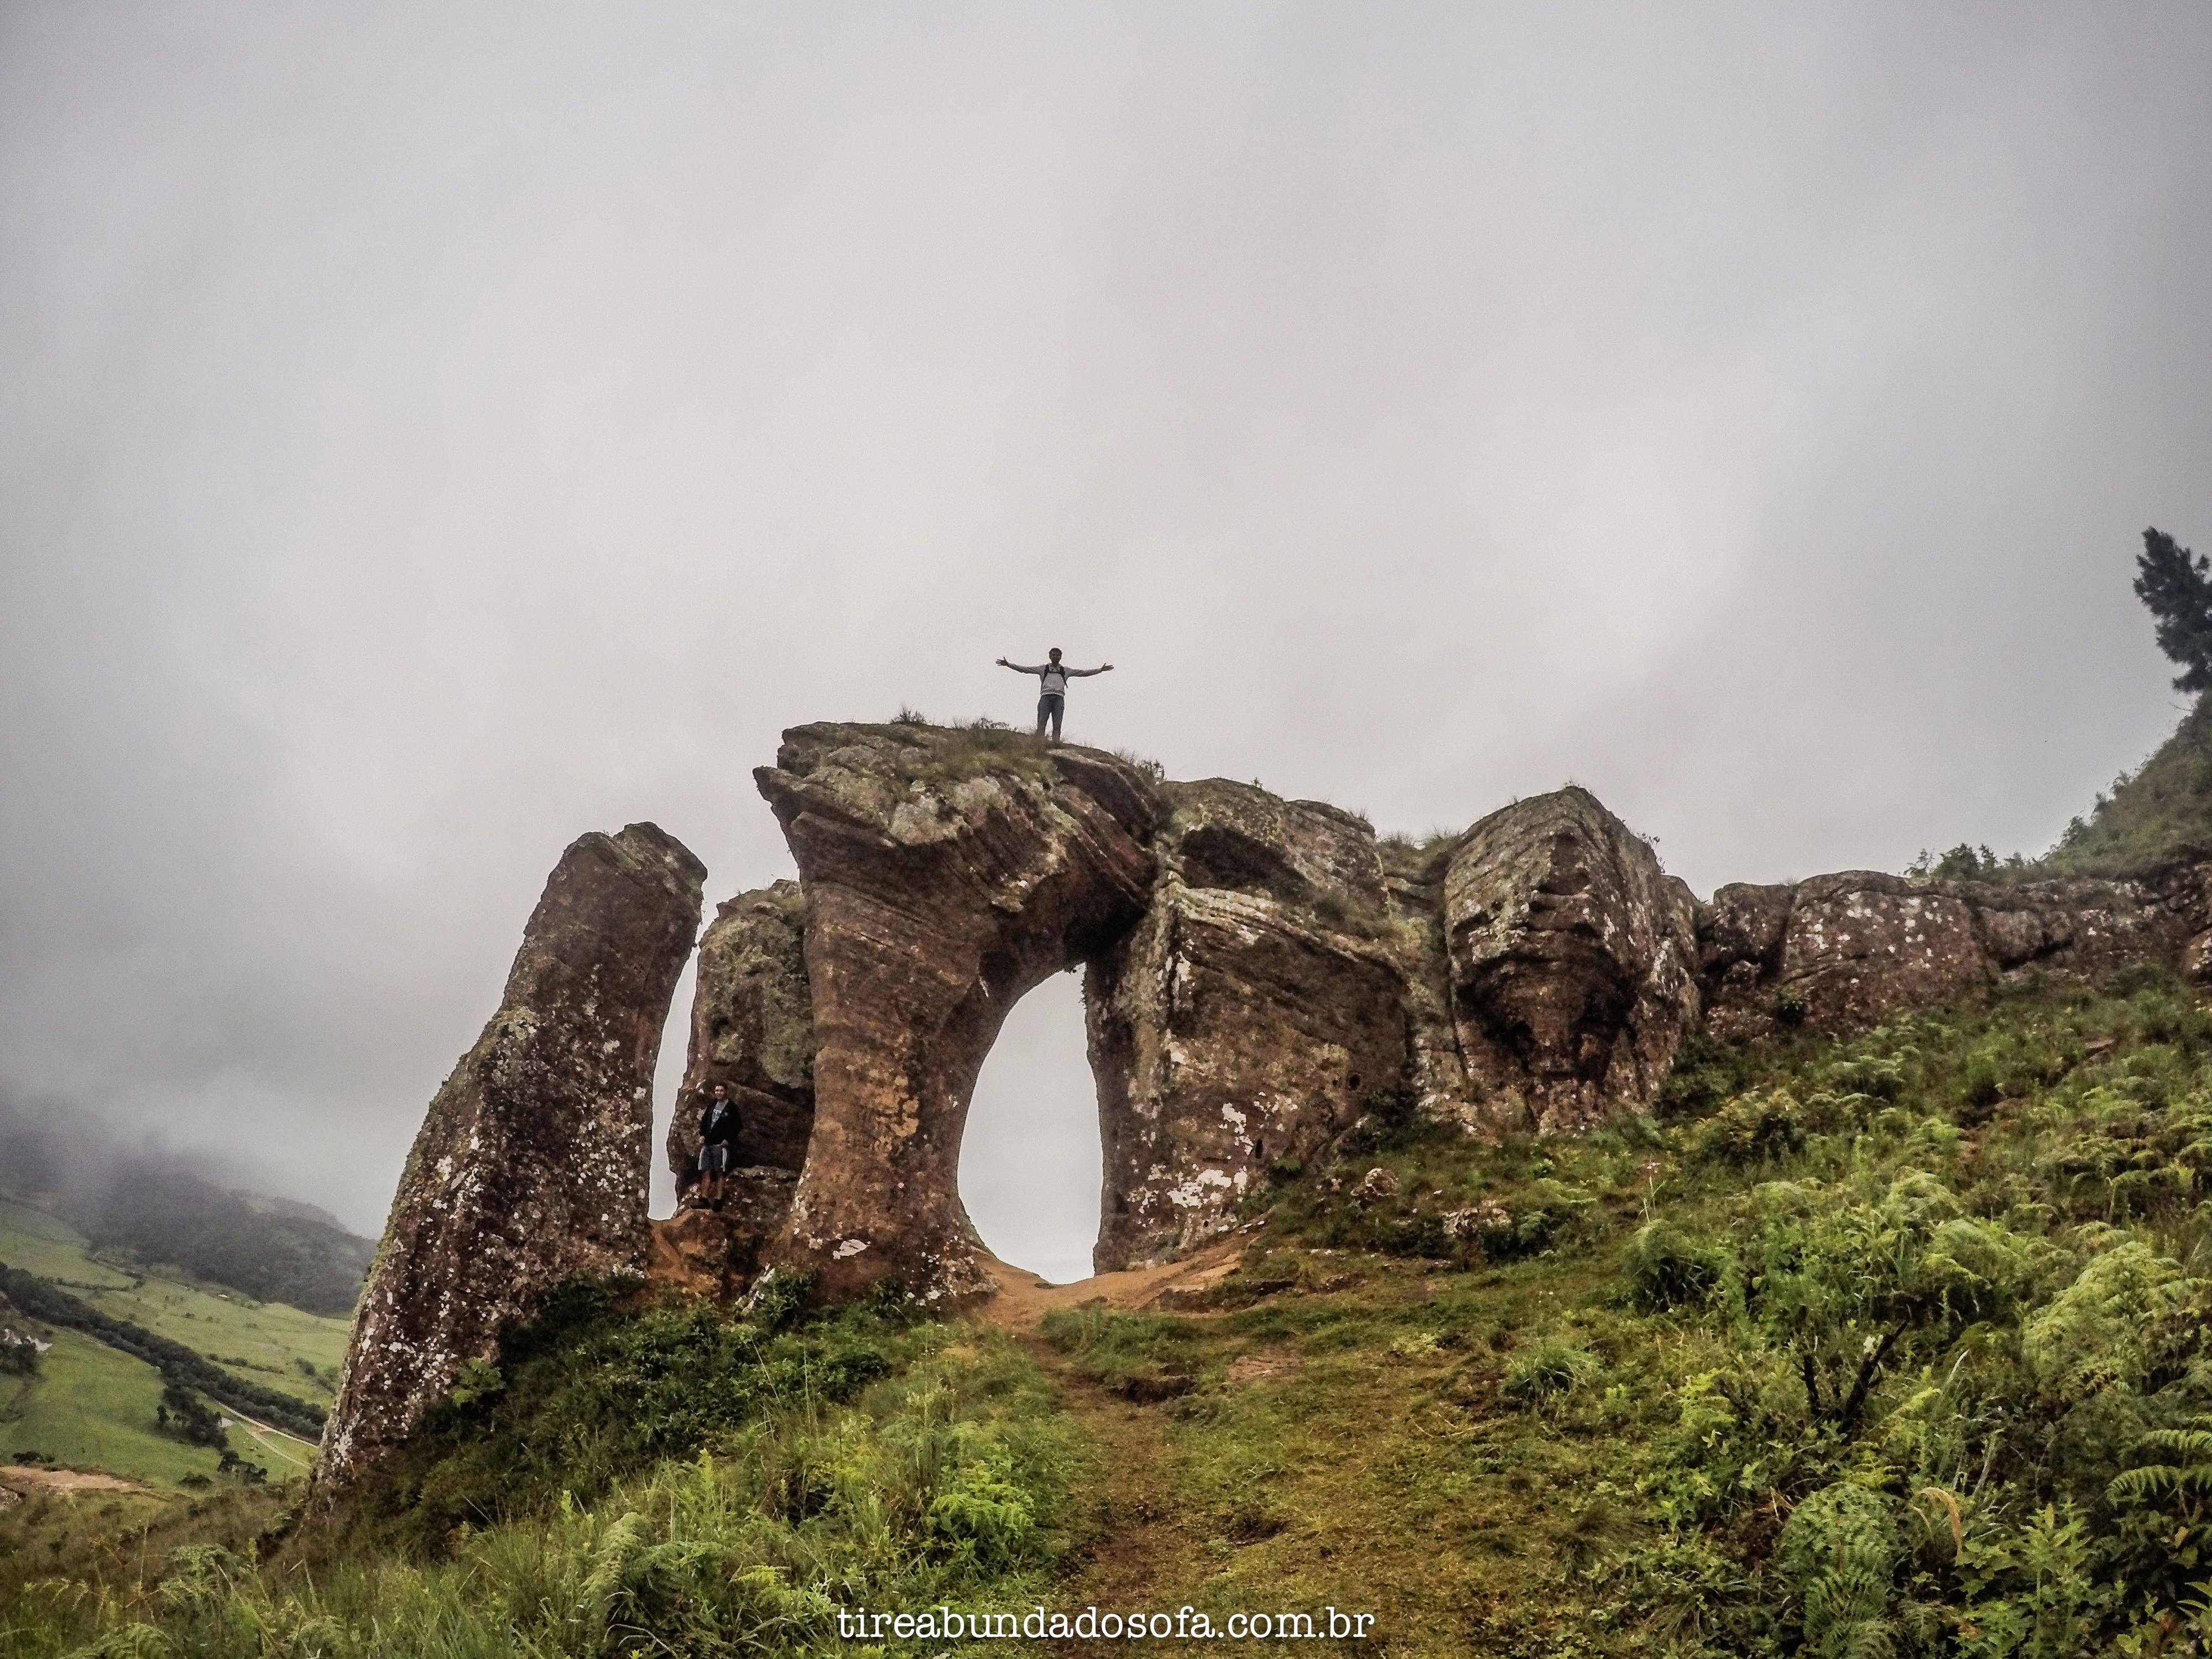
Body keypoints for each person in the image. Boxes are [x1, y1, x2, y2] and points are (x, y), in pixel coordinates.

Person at [995, 647, 1113, 740]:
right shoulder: (1043, 669)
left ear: (1061, 657)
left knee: (1057, 723)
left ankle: (1056, 743)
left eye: (1057, 655)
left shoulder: (1066, 670)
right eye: (1053, 655)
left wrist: (1100, 670)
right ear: (1050, 656)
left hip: (1059, 698)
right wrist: (1009, 665)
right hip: (1046, 697)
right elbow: (1025, 669)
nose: (1055, 657)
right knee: (1042, 721)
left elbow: (1083, 673)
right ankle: (1040, 743)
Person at [693, 1082, 740, 1207]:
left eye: (721, 1091)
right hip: (708, 1143)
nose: (719, 1093)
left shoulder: (731, 1108)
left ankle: (718, 1200)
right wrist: (702, 1134)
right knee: (706, 1171)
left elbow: (737, 1126)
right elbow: (704, 1121)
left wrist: (728, 1140)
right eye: (717, 1091)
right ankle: (704, 1199)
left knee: (720, 1172)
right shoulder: (712, 1105)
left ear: (726, 1092)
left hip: (720, 1145)